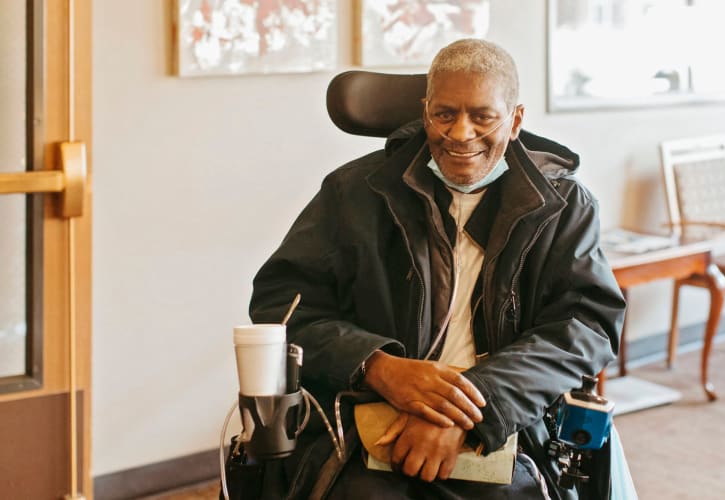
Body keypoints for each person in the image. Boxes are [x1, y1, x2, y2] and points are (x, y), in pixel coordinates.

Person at [249, 38, 627, 499]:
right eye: (444, 114)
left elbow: (587, 326)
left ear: (516, 120)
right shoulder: (354, 194)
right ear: (425, 111)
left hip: (506, 415)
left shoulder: (563, 205)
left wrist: (472, 410)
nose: (461, 133)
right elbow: (281, 307)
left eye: (482, 116)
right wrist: (377, 366)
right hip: (367, 411)